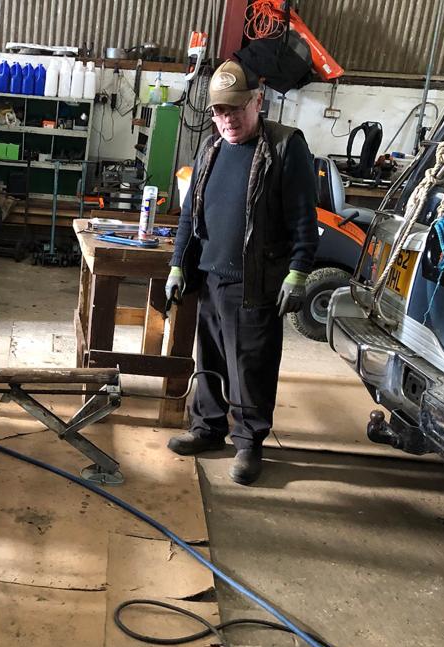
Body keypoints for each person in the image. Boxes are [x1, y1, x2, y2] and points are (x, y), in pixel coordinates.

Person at [165, 59, 318, 484]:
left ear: (257, 101)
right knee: (210, 359)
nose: (227, 119)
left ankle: (249, 443)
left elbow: (304, 219)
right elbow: (189, 214)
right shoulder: (210, 148)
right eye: (219, 111)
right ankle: (207, 428)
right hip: (210, 278)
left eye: (235, 108)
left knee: (250, 367)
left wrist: (298, 272)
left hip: (254, 283)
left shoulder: (285, 146)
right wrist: (178, 264)